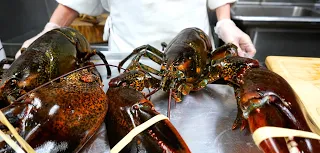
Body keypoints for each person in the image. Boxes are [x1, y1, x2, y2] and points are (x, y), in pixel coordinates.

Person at [15, 0, 256, 58]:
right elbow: (75, 2)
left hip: (194, 55)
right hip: (129, 56)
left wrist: (225, 22)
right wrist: (52, 29)